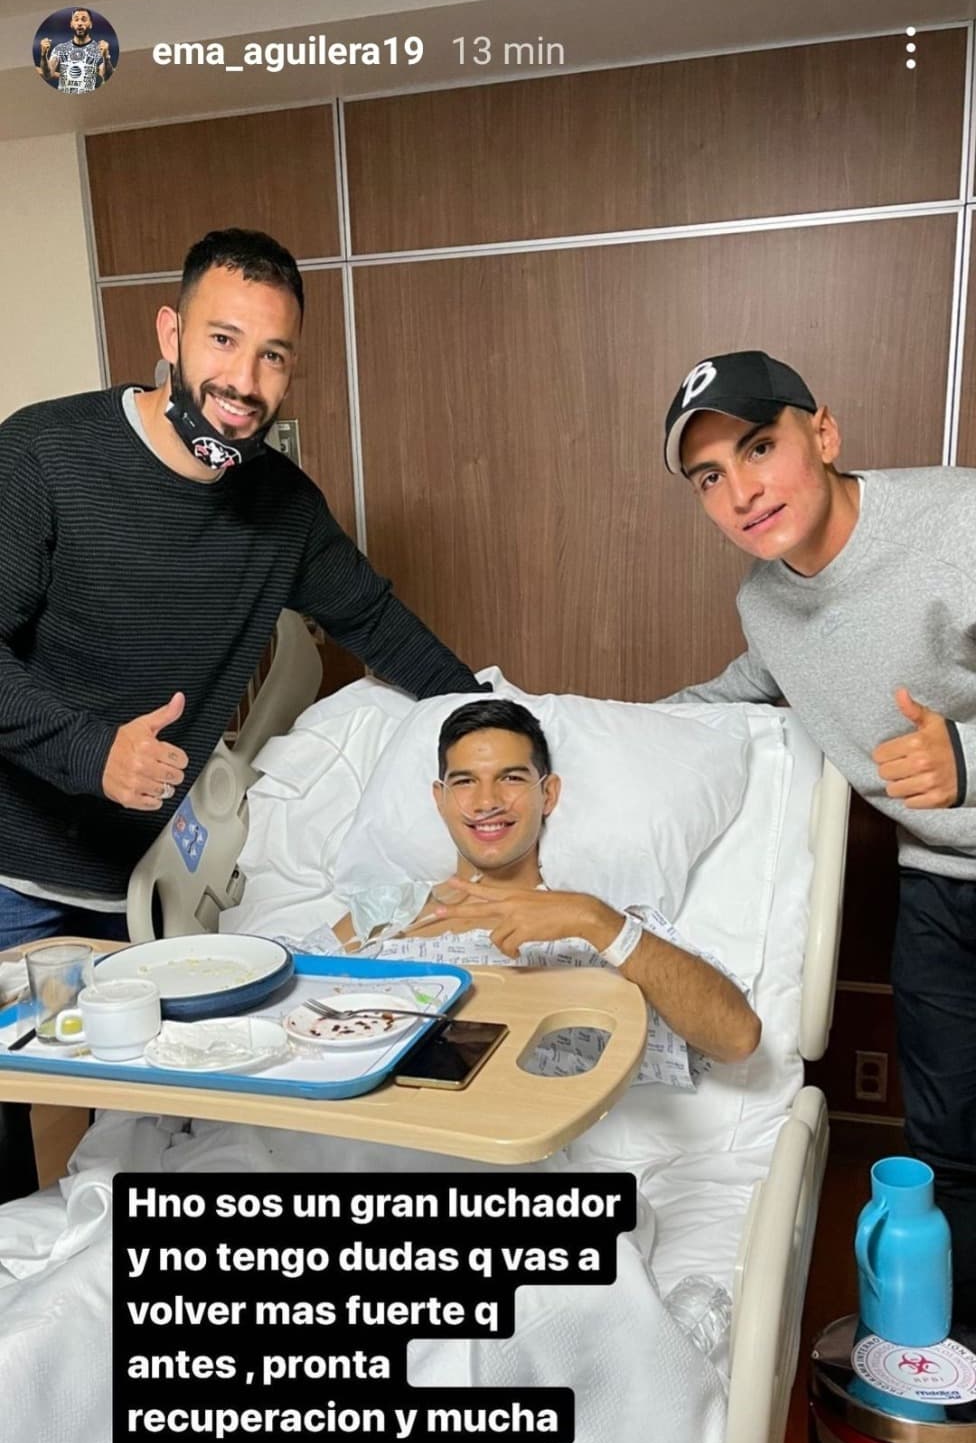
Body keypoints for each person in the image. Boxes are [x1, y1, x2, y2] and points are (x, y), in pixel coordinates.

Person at [0, 227, 484, 1193]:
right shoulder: (42, 457)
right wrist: (92, 752)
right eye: (223, 340)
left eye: (273, 355)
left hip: (141, 882)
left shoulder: (282, 509)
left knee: (121, 1139)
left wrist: (497, 728)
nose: (245, 380)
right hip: (10, 868)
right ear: (170, 333)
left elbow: (381, 626)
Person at [661, 348, 976, 1322]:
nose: (741, 492)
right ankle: (956, 1348)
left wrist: (967, 758)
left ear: (824, 433)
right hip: (938, 888)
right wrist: (580, 734)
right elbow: (743, 690)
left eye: (759, 447)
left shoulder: (959, 524)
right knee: (950, 1149)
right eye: (709, 477)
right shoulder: (765, 602)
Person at [328, 698, 760, 1076]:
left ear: (548, 795)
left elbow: (737, 1037)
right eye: (465, 782)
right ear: (440, 799)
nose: (487, 802)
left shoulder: (596, 927)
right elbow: (295, 999)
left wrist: (596, 921)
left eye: (511, 778)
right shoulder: (385, 912)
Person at [37, 9, 113, 94]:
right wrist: (43, 55)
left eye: (84, 19)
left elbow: (107, 76)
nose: (79, 23)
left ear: (90, 24)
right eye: (76, 19)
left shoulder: (99, 49)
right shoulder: (60, 48)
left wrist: (106, 57)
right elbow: (48, 74)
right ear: (71, 24)